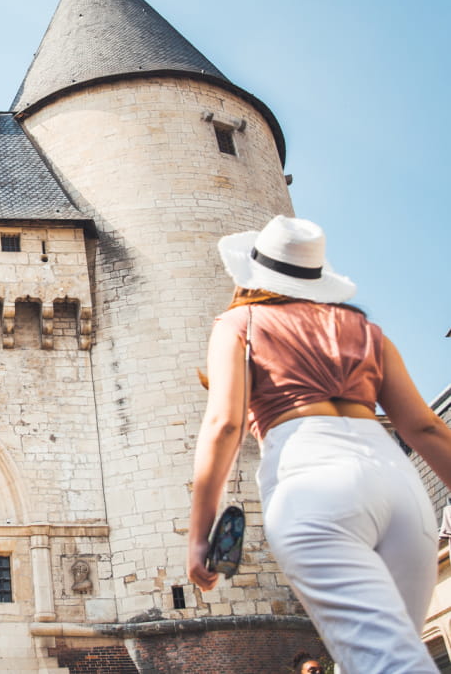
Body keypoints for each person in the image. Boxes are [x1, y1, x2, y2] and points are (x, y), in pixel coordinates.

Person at [187, 215, 451, 674]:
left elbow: (224, 425)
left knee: (386, 663)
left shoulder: (239, 322)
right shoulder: (368, 332)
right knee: (395, 657)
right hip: (399, 485)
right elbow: (425, 429)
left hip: (313, 478)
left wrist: (198, 536)